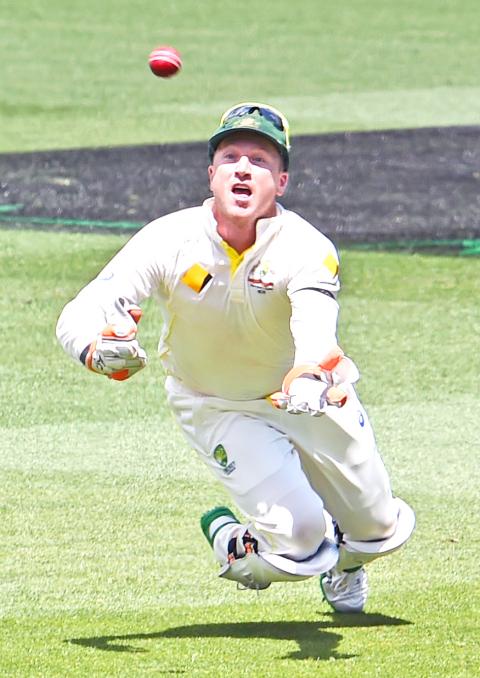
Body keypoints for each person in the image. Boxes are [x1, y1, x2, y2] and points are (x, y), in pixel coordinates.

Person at [56, 102, 415, 612]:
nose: (243, 169)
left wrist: (309, 376)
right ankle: (233, 540)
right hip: (217, 404)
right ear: (211, 174)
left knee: (378, 528)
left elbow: (316, 326)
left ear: (281, 182)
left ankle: (346, 565)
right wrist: (95, 351)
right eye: (230, 158)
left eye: (260, 160)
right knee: (300, 539)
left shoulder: (308, 247)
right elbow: (82, 312)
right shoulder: (169, 238)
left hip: (310, 396)